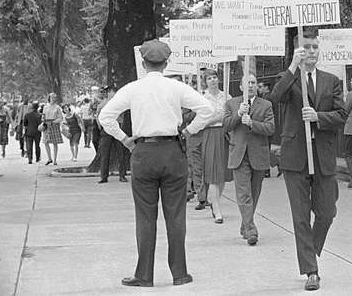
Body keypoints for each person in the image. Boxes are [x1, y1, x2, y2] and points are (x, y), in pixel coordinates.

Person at [98, 39, 213, 288]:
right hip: (173, 150)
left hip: (143, 152)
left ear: (143, 62)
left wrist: (125, 139)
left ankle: (144, 275)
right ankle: (180, 273)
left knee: (145, 216)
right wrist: (188, 131)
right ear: (167, 62)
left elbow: (105, 116)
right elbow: (207, 109)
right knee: (176, 216)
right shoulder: (176, 87)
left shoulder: (132, 89)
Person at [271, 29, 347, 291]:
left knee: (327, 212)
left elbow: (341, 115)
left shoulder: (331, 80)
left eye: (315, 47)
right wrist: (293, 65)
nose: (312, 51)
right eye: (307, 47)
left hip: (323, 156)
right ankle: (311, 271)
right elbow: (275, 98)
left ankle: (309, 251)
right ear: (298, 50)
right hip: (295, 157)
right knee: (301, 216)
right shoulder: (289, 78)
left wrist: (318, 117)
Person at [223, 73, 275, 245]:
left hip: (258, 154)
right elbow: (226, 125)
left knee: (254, 193)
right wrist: (238, 114)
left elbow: (271, 128)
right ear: (241, 87)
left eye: (253, 83)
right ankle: (251, 229)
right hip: (239, 154)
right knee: (244, 193)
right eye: (248, 83)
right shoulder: (231, 103)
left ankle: (245, 225)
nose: (251, 86)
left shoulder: (266, 105)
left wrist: (253, 123)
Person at [199, 69, 233, 224]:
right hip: (210, 134)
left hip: (225, 134)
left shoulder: (226, 96)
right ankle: (217, 210)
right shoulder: (201, 98)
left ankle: (214, 201)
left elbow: (230, 116)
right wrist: (215, 119)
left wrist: (224, 118)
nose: (213, 80)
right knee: (213, 172)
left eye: (214, 77)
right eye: (209, 78)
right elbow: (200, 121)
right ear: (205, 81)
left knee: (223, 173)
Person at [41, 93, 64, 165]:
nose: (54, 99)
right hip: (46, 125)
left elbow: (61, 117)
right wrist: (43, 121)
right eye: (52, 97)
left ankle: (55, 160)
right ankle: (49, 158)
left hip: (54, 124)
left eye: (55, 97)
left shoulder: (57, 107)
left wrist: (54, 122)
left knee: (55, 143)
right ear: (49, 98)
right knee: (45, 142)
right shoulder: (45, 107)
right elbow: (43, 116)